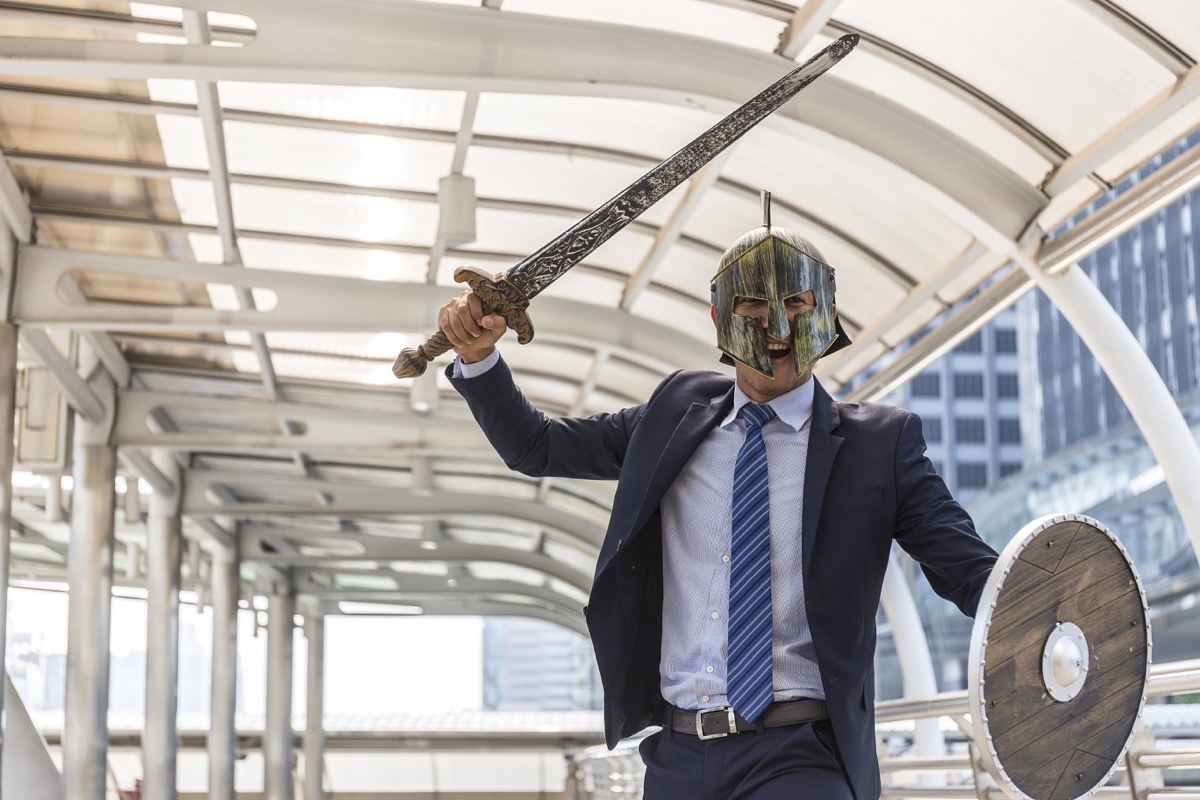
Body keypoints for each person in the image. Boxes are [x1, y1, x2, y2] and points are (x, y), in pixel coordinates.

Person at [439, 195, 999, 800]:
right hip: (679, 756)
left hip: (801, 756)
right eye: (754, 306)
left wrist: (1061, 609)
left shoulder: (879, 446)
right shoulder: (672, 415)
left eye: (797, 304)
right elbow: (538, 448)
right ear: (718, 318)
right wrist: (479, 358)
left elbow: (972, 574)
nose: (776, 327)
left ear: (828, 312)